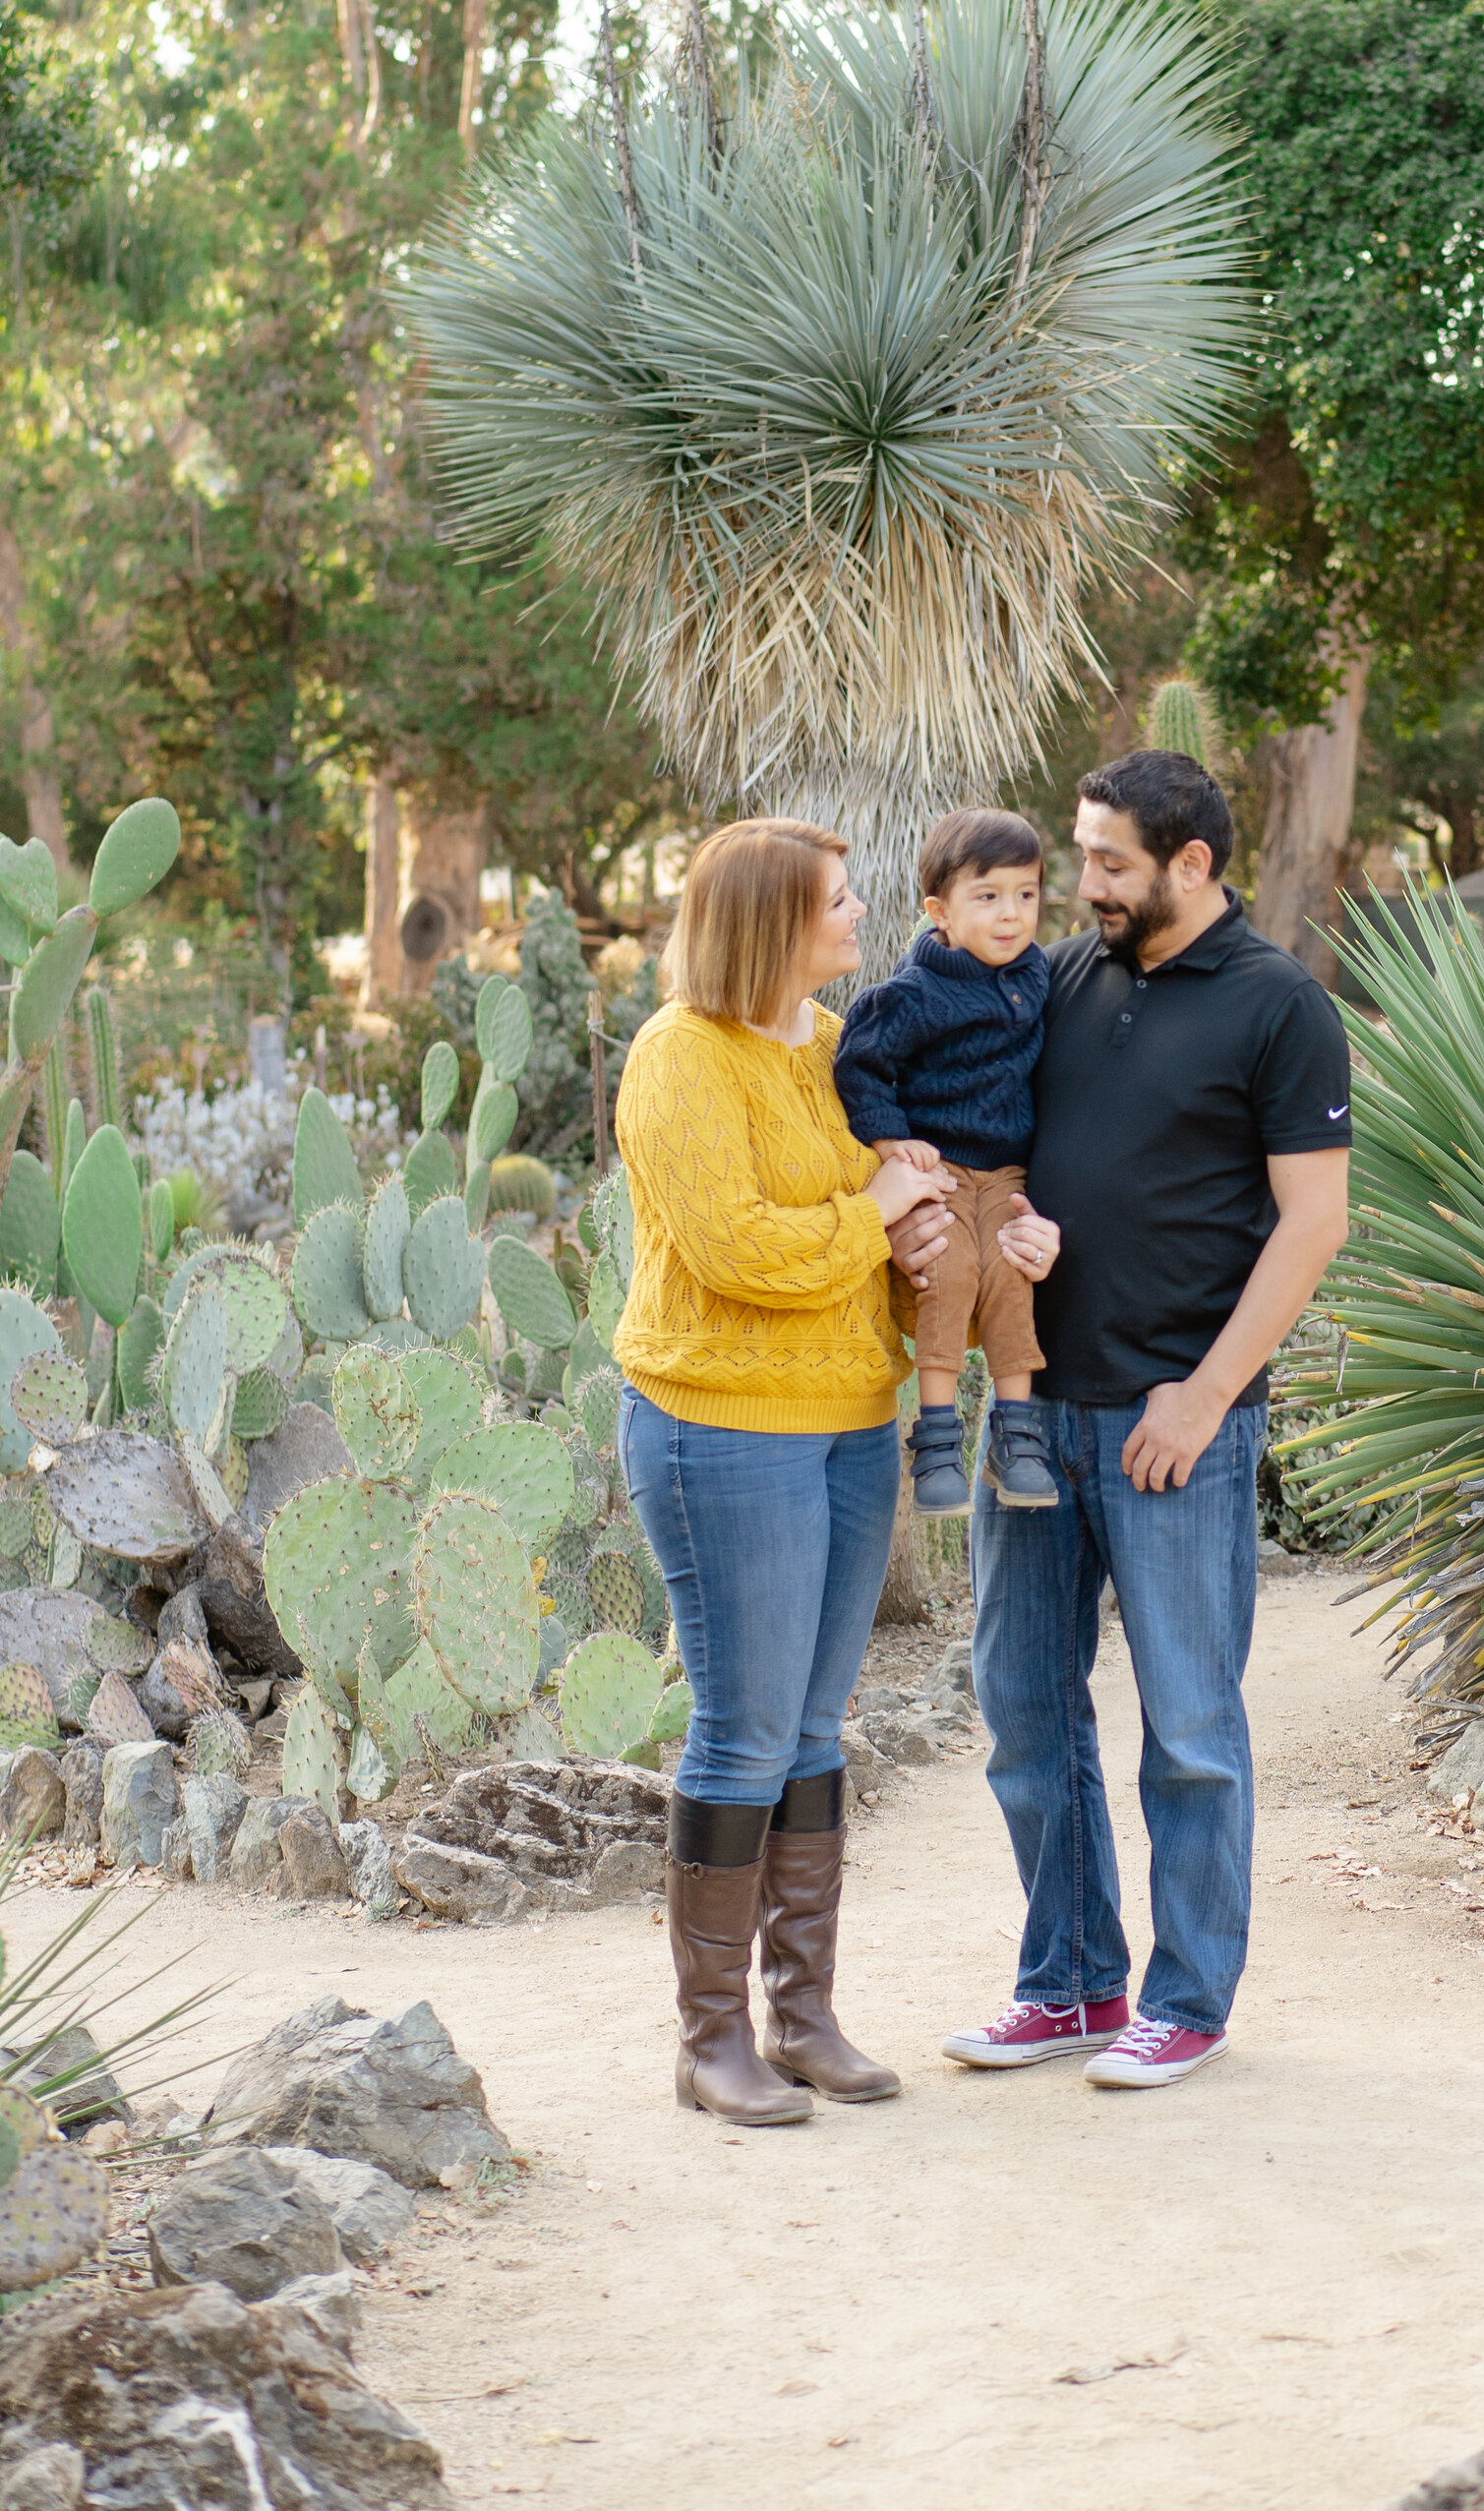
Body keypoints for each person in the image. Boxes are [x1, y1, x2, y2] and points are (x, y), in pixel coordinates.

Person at [945, 748, 1352, 2093]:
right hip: (1035, 1415)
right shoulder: (1059, 979)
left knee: (1187, 1727)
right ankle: (1067, 1982)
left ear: (1193, 863)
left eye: (1110, 860)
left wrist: (1206, 1390)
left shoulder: (1280, 1006)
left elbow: (1314, 1220)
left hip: (1174, 1427)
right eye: (1081, 856)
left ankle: (1187, 1999)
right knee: (1022, 1710)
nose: (1084, 884)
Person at [614, 816, 951, 2127]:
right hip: (723, 1426)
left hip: (853, 1418)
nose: (863, 914)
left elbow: (886, 1185)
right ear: (768, 923)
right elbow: (738, 1247)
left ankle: (803, 2016)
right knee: (746, 1725)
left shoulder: (831, 1046)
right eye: (837, 900)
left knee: (814, 1725)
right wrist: (872, 1213)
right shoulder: (678, 1060)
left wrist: (916, 1201)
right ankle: (711, 2040)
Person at [834, 807, 1061, 1518]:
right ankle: (936, 1440)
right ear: (939, 911)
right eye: (987, 897)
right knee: (950, 1273)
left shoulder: (1038, 975)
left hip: (1008, 1172)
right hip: (943, 1170)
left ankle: (1015, 1438)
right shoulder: (915, 993)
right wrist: (889, 1138)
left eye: (1026, 894)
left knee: (1011, 1273)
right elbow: (860, 1064)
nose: (1011, 914)